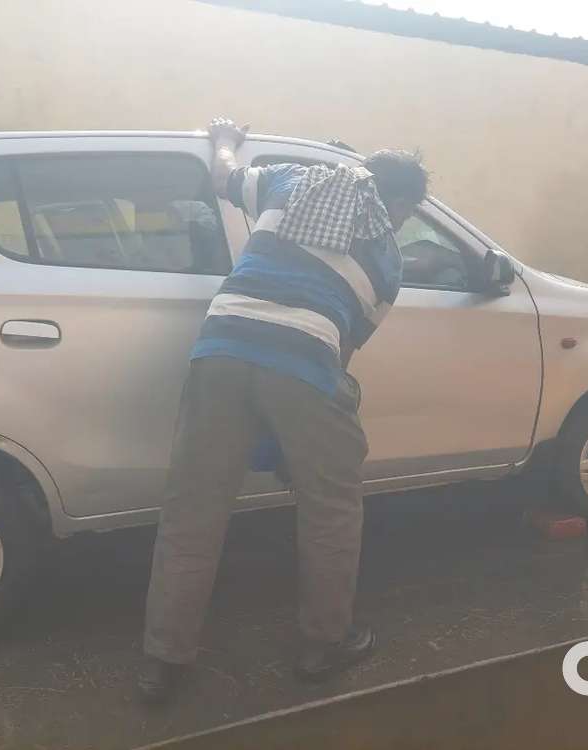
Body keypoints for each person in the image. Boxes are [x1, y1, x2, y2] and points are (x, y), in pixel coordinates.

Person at [139, 117, 429, 701]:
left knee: (193, 510)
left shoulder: (292, 181)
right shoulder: (387, 255)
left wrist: (224, 137)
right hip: (304, 357)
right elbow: (338, 352)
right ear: (400, 203)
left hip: (220, 345)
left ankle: (164, 663)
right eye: (408, 212)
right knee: (331, 508)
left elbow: (224, 176)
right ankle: (325, 644)